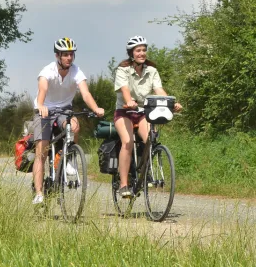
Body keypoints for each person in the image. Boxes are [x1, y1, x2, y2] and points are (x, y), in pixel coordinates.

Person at [31, 37, 105, 205]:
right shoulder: (47, 71)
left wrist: (95, 108)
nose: (69, 58)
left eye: (71, 54)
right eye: (65, 55)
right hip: (45, 111)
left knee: (75, 126)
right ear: (58, 56)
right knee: (41, 152)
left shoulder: (77, 72)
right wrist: (41, 105)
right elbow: (42, 89)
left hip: (65, 110)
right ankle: (39, 193)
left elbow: (85, 93)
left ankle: (69, 158)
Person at [114, 35, 182, 198]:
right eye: (138, 50)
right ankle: (123, 184)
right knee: (128, 142)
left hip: (144, 111)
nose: (142, 53)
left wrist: (171, 104)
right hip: (125, 112)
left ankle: (147, 172)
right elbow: (124, 90)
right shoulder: (123, 70)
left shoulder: (152, 71)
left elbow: (159, 90)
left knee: (151, 140)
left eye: (144, 50)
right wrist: (129, 101)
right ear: (131, 53)